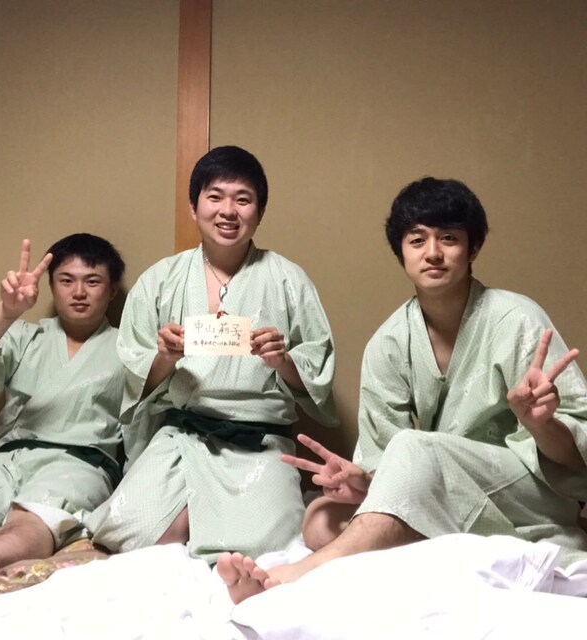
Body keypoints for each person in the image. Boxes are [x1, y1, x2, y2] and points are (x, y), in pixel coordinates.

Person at [218, 176, 587, 603]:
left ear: (472, 248)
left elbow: (575, 462)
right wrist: (362, 480)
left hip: (527, 493)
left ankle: (297, 576)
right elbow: (386, 459)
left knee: (412, 449)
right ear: (402, 252)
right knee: (319, 520)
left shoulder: (517, 319)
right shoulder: (390, 342)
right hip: (441, 488)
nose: (433, 252)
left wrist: (540, 424)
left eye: (448, 238)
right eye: (417, 240)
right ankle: (431, 543)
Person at [87, 145, 337, 563]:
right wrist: (166, 356)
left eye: (243, 199)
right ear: (194, 206)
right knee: (133, 531)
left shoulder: (289, 279)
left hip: (259, 441)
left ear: (260, 211)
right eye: (215, 196)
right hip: (183, 435)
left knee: (264, 546)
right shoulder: (161, 279)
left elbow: (318, 368)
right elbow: (134, 374)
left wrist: (283, 360)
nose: (228, 211)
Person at [0, 233, 126, 577]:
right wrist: (6, 312)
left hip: (80, 464)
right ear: (51, 286)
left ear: (112, 290)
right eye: (66, 280)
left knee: (37, 515)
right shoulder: (26, 336)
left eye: (92, 281)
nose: (79, 292)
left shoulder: (128, 347)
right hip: (7, 460)